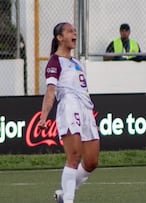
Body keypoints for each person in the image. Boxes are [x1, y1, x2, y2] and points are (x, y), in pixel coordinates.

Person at [38, 22, 100, 203]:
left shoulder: (77, 63)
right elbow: (51, 91)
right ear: (59, 37)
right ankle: (69, 200)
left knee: (91, 161)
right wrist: (43, 117)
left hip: (86, 109)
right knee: (74, 156)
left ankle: (64, 195)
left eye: (75, 30)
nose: (75, 33)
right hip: (69, 106)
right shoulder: (54, 62)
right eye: (70, 31)